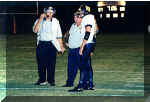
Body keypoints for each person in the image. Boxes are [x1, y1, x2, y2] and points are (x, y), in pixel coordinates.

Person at [33, 6, 65, 86]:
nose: (49, 14)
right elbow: (35, 30)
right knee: (41, 63)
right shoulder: (39, 20)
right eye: (48, 12)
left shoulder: (55, 21)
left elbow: (59, 35)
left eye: (51, 12)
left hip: (52, 44)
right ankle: (42, 80)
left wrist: (61, 46)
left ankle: (51, 80)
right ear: (45, 12)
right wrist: (40, 19)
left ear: (53, 13)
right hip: (41, 44)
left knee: (51, 63)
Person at [69, 5, 97, 92]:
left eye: (81, 11)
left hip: (87, 44)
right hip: (90, 43)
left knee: (82, 65)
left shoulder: (87, 18)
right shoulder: (91, 17)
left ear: (85, 11)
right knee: (87, 65)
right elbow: (95, 33)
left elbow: (88, 32)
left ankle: (81, 85)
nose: (79, 13)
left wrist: (82, 46)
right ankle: (90, 84)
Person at [63, 12, 84, 87]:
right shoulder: (73, 25)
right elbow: (68, 34)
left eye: (77, 17)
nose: (75, 19)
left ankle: (85, 83)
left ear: (81, 18)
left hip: (79, 49)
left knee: (82, 68)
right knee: (70, 67)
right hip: (71, 50)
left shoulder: (84, 26)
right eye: (75, 17)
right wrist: (66, 41)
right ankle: (69, 83)